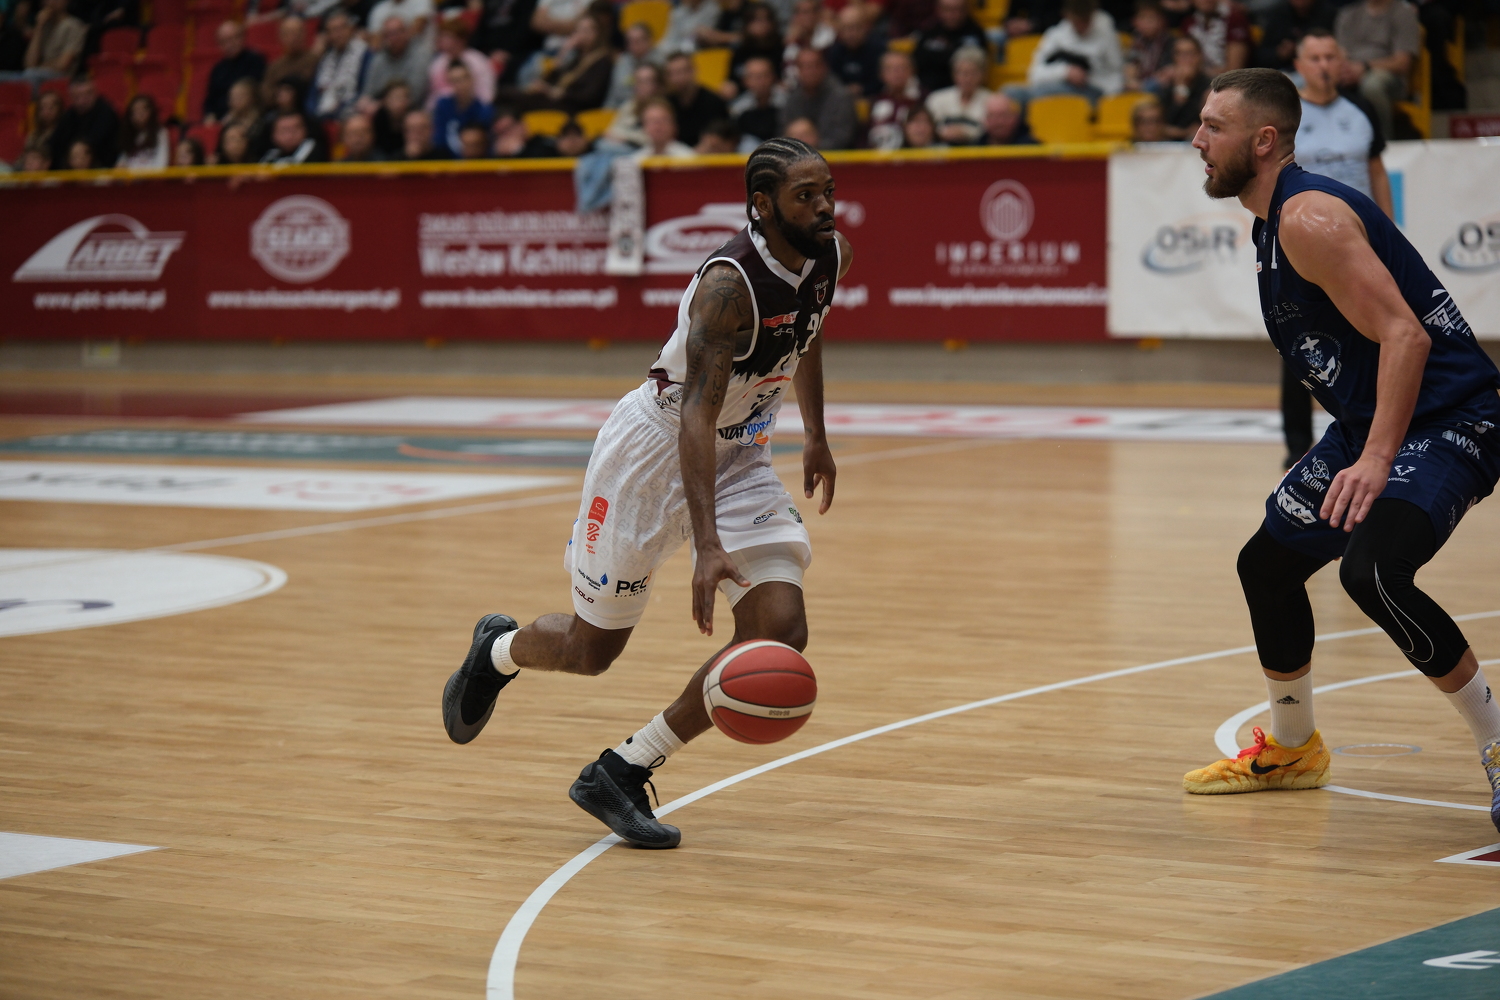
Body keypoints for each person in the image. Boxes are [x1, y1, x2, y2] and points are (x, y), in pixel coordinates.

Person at [441, 136, 850, 851]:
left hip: (742, 456)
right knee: (591, 650)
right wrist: (707, 544)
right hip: (655, 452)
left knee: (781, 628)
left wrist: (815, 433)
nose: (824, 207)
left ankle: (623, 770)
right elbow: (695, 416)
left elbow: (807, 333)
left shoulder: (829, 254)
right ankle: (498, 651)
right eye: (805, 196)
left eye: (828, 192)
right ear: (762, 205)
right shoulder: (728, 287)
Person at [1184, 68, 1500, 837]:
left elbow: (1406, 336)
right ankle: (1295, 747)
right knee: (1267, 565)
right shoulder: (1271, 224)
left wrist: (1377, 458)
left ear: (1264, 141)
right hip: (1376, 421)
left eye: (1214, 126)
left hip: (1454, 414)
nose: (1197, 140)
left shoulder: (1308, 219)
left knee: (1373, 573)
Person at [1278, 29, 1393, 466]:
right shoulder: (1288, 114)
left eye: (1330, 57)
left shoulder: (1361, 109)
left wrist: (1388, 229)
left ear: (1341, 63)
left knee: (1372, 334)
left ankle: (1374, 433)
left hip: (1359, 241)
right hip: (1304, 242)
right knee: (1300, 341)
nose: (1323, 65)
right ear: (1300, 66)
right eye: (1315, 57)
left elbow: (1376, 170)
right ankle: (1296, 446)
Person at [493, 9, 612, 113]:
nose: (580, 35)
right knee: (506, 93)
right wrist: (562, 54)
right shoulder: (576, 58)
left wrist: (555, 92)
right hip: (555, 101)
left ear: (597, 33)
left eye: (585, 31)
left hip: (571, 107)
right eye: (577, 31)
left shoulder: (602, 61)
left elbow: (589, 96)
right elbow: (551, 79)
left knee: (510, 97)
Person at [1334, 0, 1418, 144]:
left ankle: (1382, 143)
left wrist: (1364, 67)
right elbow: (1339, 53)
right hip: (1349, 70)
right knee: (1313, 80)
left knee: (1372, 86)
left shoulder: (1404, 13)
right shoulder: (1347, 14)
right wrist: (1345, 70)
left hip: (1388, 75)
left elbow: (1402, 63)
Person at [1025, 0, 1123, 104]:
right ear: (1067, 16)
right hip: (1056, 85)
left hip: (1092, 89)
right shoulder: (1056, 34)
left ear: (1093, 15)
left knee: (1037, 96)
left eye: (1085, 20)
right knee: (1018, 92)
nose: (1081, 26)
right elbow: (1034, 75)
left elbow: (1117, 72)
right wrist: (1066, 72)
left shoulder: (1106, 32)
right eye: (1076, 22)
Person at [782, 46, 854, 149]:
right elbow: (782, 133)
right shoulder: (792, 98)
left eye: (814, 66)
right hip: (797, 156)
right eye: (804, 66)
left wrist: (811, 148)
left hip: (833, 156)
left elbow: (843, 137)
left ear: (824, 67)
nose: (809, 71)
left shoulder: (841, 97)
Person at [2, 0, 84, 87]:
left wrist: (37, 67)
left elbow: (63, 64)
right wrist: (39, 26)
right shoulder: (44, 26)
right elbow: (29, 63)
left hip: (61, 77)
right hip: (35, 74)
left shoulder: (74, 26)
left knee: (31, 75)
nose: (52, 2)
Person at [913, 0, 987, 93]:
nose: (953, 14)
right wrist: (951, 54)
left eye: (958, 9)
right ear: (939, 10)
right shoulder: (929, 30)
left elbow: (977, 66)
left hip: (962, 91)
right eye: (948, 9)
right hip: (927, 89)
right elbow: (918, 60)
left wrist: (938, 56)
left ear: (966, 10)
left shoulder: (975, 33)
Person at [308, 10, 370, 120]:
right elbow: (314, 93)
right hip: (321, 115)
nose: (337, 34)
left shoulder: (365, 54)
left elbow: (365, 90)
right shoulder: (325, 59)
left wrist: (340, 108)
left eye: (341, 29)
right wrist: (312, 114)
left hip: (350, 112)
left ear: (351, 29)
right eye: (332, 31)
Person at [361, 16, 430, 111]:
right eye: (390, 34)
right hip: (378, 109)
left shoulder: (420, 56)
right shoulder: (378, 59)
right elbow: (368, 91)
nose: (395, 37)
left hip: (410, 109)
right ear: (384, 38)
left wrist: (382, 105)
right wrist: (366, 103)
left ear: (407, 33)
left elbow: (415, 95)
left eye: (399, 32)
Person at [203, 21, 266, 123]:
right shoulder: (218, 69)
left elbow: (255, 92)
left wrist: (234, 114)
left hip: (245, 116)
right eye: (224, 42)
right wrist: (209, 115)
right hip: (220, 118)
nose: (229, 44)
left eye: (232, 39)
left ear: (241, 38)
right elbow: (210, 99)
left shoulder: (255, 61)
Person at [926, 44, 990, 144]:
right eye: (962, 73)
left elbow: (993, 132)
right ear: (954, 74)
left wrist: (966, 134)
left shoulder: (991, 101)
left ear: (982, 74)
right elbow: (927, 127)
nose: (968, 78)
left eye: (973, 73)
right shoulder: (936, 98)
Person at [49, 75, 117, 169]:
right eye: (77, 97)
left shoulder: (106, 113)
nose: (82, 101)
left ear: (94, 93)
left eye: (87, 95)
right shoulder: (69, 115)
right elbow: (55, 142)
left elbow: (96, 143)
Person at [663, 51, 728, 147]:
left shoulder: (713, 102)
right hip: (673, 152)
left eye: (681, 72)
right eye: (671, 74)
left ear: (693, 71)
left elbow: (723, 136)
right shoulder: (665, 104)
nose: (677, 78)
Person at [428, 17, 495, 108]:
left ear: (461, 39)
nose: (441, 39)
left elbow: (487, 93)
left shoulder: (478, 61)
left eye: (446, 36)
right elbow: (433, 93)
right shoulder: (438, 62)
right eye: (441, 36)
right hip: (442, 110)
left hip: (472, 109)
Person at [1254, 0, 1334, 72]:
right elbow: (1261, 56)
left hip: (1319, 70)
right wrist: (1279, 53)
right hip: (1283, 71)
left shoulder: (1329, 13)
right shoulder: (1277, 14)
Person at [432, 60, 493, 154]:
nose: (460, 84)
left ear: (471, 79)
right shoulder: (443, 105)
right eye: (455, 81)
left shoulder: (484, 110)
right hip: (446, 159)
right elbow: (439, 138)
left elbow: (485, 145)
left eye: (463, 78)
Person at [823, 4, 882, 97]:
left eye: (856, 27)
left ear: (866, 27)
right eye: (846, 28)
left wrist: (863, 89)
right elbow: (830, 82)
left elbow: (882, 82)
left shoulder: (879, 50)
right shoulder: (833, 52)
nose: (851, 33)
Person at [1180, 0, 1249, 77]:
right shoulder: (1189, 22)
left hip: (1226, 79)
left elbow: (1234, 70)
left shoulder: (1234, 18)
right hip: (1197, 77)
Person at [262, 16, 319, 107]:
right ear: (280, 37)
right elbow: (266, 95)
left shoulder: (315, 60)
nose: (293, 38)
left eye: (297, 33)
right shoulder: (274, 67)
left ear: (304, 35)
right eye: (288, 34)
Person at [1160, 34, 1209, 139]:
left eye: (1190, 53)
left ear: (1200, 56)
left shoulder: (1210, 86)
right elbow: (1160, 127)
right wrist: (1181, 86)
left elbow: (1203, 125)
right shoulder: (1165, 85)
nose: (1186, 59)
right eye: (1180, 54)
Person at [604, 62, 662, 147]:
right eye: (638, 81)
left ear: (657, 85)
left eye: (646, 81)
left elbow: (652, 138)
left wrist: (625, 138)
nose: (641, 86)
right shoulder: (629, 105)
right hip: (618, 146)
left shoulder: (661, 109)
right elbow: (610, 131)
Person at [730, 55, 783, 144]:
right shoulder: (737, 108)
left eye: (764, 75)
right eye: (754, 77)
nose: (760, 81)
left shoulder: (786, 102)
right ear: (745, 80)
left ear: (774, 77)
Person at [1122, 0, 1172, 93]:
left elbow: (1167, 74)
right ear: (1134, 21)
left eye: (1151, 18)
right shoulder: (1137, 41)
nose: (1147, 22)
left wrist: (1143, 86)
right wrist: (1130, 79)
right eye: (1142, 17)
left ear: (1162, 20)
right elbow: (1131, 66)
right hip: (1138, 87)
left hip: (1162, 91)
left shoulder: (1170, 42)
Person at [605, 22, 654, 109]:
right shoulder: (622, 61)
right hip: (620, 107)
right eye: (630, 41)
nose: (633, 45)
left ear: (649, 40)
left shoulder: (659, 61)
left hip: (649, 107)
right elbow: (614, 92)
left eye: (637, 41)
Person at [116, 93, 168, 167]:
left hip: (151, 173)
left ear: (151, 111)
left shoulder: (160, 132)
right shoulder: (129, 135)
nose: (139, 114)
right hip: (130, 173)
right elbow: (122, 162)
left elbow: (162, 163)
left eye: (143, 110)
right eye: (135, 111)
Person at [260, 107, 329, 161]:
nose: (290, 135)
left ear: (305, 130)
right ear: (273, 134)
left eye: (295, 130)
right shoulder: (271, 154)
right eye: (284, 130)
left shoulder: (313, 149)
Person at [654, 0, 719, 58]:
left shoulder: (712, 10)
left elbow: (699, 37)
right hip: (674, 51)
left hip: (698, 52)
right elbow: (669, 38)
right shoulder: (678, 12)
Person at [372, 79, 413, 156]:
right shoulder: (375, 119)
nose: (400, 102)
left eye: (404, 97)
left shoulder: (414, 120)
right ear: (385, 100)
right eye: (396, 97)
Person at [366, 0, 431, 37]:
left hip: (419, 53)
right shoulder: (378, 9)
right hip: (388, 54)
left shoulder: (421, 2)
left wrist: (392, 35)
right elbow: (375, 41)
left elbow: (418, 28)